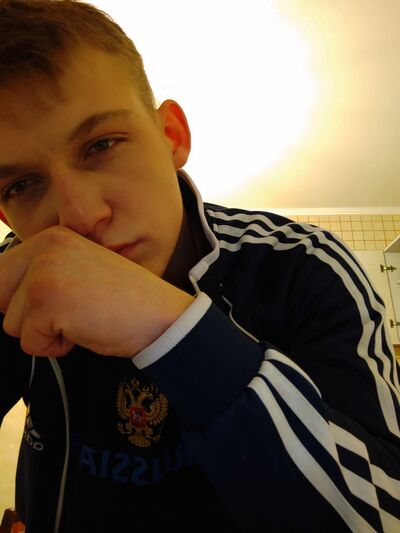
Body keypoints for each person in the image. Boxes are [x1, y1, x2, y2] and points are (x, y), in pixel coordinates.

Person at [0, 1, 399, 531]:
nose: (78, 218)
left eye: (102, 145)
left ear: (172, 136)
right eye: (23, 185)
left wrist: (172, 330)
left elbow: (382, 514)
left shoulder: (303, 266)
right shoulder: (12, 281)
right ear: (5, 213)